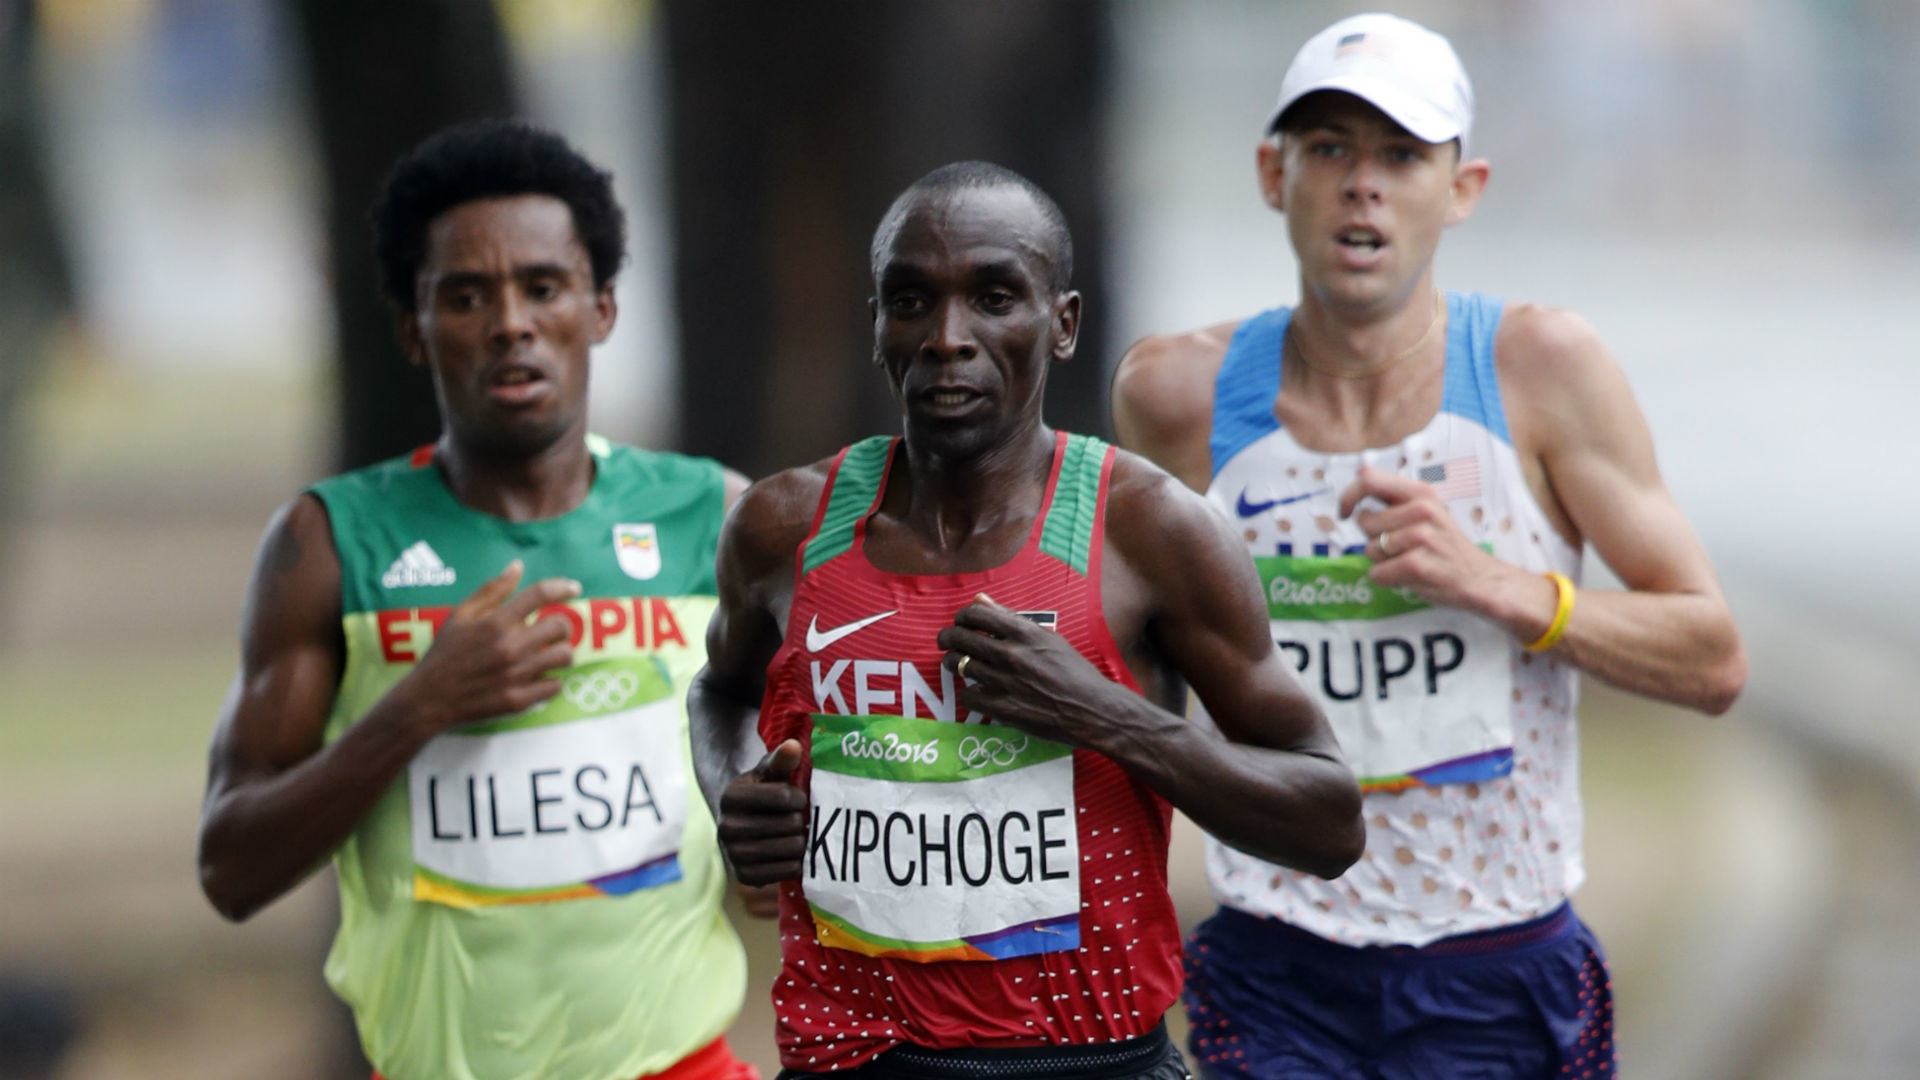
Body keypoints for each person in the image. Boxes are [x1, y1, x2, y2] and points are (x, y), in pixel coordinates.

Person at [1110, 13, 1749, 1079]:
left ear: (1463, 188)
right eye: (1330, 149)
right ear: (1273, 175)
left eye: (1402, 155)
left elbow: (1712, 654)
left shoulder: (1541, 370)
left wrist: (1505, 587)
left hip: (1499, 960)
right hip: (1276, 964)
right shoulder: (1177, 396)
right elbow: (1134, 660)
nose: (1363, 185)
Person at [688, 161, 1366, 1080]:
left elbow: (1328, 822)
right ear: (878, 328)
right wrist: (734, 792)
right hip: (851, 1057)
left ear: (1063, 324)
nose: (948, 339)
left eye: (995, 298)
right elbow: (720, 692)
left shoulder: (1151, 531)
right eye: (912, 302)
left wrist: (1107, 716)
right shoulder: (781, 527)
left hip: (1089, 1061)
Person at [196, 120, 762, 1080]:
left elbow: (802, 758)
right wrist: (419, 707)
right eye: (466, 296)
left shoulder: (711, 518)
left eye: (543, 287)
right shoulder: (329, 545)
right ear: (411, 328)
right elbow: (230, 869)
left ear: (601, 307)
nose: (510, 324)